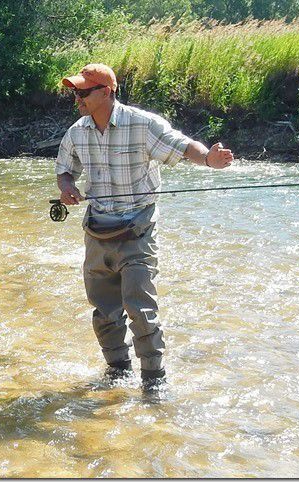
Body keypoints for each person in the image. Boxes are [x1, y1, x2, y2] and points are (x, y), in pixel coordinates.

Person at [56, 63, 234, 388]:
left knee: (138, 308)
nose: (76, 97)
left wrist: (208, 158)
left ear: (106, 92)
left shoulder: (142, 124)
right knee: (104, 312)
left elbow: (180, 145)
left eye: (82, 91)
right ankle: (117, 373)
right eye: (75, 91)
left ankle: (154, 382)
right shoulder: (77, 131)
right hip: (96, 233)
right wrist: (66, 186)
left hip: (137, 231)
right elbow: (65, 167)